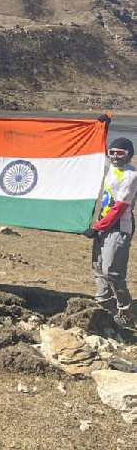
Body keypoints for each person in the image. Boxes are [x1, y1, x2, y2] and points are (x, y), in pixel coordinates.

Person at [85, 136, 136, 328]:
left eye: (120, 153)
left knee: (112, 271)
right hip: (103, 224)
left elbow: (119, 208)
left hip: (118, 227)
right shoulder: (112, 167)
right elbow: (93, 153)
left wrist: (96, 227)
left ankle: (125, 311)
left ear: (129, 155)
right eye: (112, 152)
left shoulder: (131, 176)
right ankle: (104, 304)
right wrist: (99, 129)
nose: (114, 156)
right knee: (98, 267)